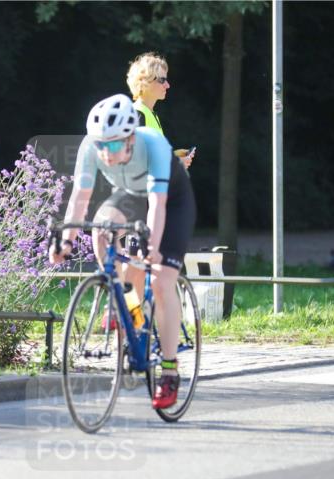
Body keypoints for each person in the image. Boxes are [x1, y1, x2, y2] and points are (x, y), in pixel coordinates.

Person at [50, 94, 196, 409]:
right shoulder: (92, 147)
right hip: (131, 195)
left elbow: (157, 205)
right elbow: (80, 198)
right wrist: (66, 240)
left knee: (160, 281)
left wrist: (153, 250)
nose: (106, 152)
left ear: (130, 139)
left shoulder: (153, 144)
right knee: (101, 228)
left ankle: (169, 371)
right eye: (101, 145)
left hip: (171, 201)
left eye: (113, 145)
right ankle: (123, 298)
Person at [126, 52, 194, 170]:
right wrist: (175, 163)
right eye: (162, 80)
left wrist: (173, 157)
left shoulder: (151, 114)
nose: (167, 85)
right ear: (144, 82)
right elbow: (135, 162)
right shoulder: (137, 114)